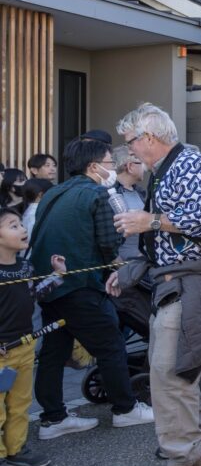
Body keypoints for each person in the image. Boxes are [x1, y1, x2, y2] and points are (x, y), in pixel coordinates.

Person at [110, 102, 201, 466]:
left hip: (190, 281)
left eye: (130, 141)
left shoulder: (191, 164)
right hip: (179, 279)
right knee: (176, 364)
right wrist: (130, 268)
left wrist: (150, 221)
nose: (128, 149)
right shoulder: (171, 167)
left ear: (149, 138)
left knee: (167, 370)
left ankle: (187, 462)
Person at [29, 137, 154, 439]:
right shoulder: (97, 193)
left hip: (50, 284)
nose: (113, 167)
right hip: (81, 284)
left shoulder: (53, 192)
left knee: (54, 352)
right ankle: (125, 409)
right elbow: (110, 242)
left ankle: (53, 418)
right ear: (94, 166)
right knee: (110, 344)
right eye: (110, 162)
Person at [0, 209, 65, 466]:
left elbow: (33, 294)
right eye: (13, 226)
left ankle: (16, 450)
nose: (22, 229)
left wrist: (57, 275)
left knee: (20, 403)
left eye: (20, 224)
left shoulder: (25, 267)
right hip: (2, 352)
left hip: (24, 346)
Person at [111, 145, 147, 261]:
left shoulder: (141, 192)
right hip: (122, 264)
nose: (145, 167)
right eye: (141, 162)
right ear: (130, 167)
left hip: (144, 260)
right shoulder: (110, 195)